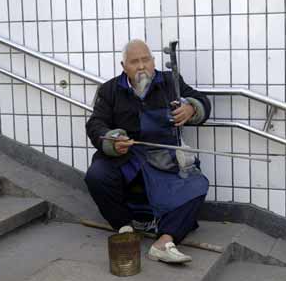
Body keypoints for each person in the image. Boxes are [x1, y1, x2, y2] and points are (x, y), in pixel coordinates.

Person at [85, 39, 211, 264]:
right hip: (127, 156)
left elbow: (202, 100)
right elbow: (96, 124)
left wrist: (191, 108)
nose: (141, 66)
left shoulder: (170, 82)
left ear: (153, 61)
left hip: (163, 157)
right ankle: (124, 227)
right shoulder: (110, 90)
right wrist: (112, 140)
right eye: (135, 62)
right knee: (97, 175)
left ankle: (164, 240)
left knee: (197, 184)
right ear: (124, 66)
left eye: (146, 60)